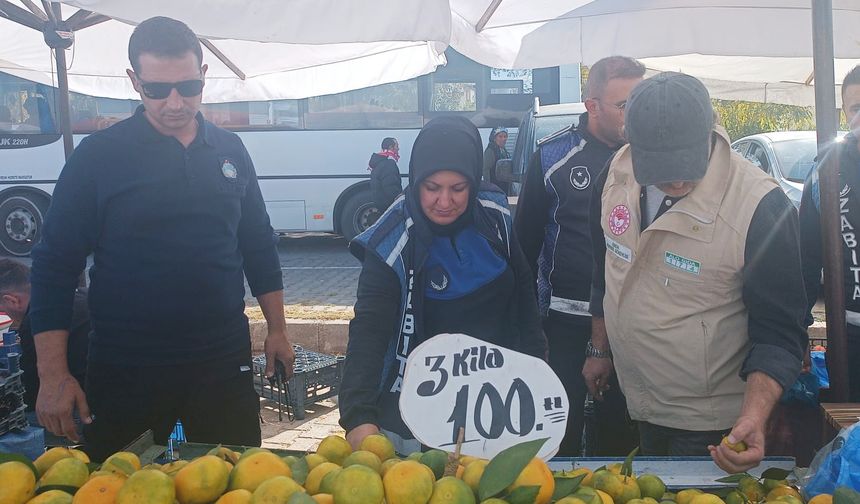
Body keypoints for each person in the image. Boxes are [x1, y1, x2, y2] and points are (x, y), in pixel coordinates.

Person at [28, 16, 295, 461]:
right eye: (157, 90)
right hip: (127, 365)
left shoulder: (230, 150)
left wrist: (279, 330)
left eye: (188, 87)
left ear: (204, 76)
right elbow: (54, 265)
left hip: (222, 360)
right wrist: (53, 374)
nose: (174, 102)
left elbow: (258, 245)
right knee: (121, 485)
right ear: (134, 81)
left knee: (236, 481)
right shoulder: (99, 158)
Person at [587, 72, 807, 472]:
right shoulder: (615, 174)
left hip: (710, 428)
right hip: (629, 398)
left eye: (689, 164)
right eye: (662, 168)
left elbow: (781, 331)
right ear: (630, 142)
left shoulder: (760, 206)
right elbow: (607, 267)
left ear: (710, 132)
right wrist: (599, 348)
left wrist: (754, 417)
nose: (677, 179)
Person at [339, 116, 547, 453]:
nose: (445, 202)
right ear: (416, 180)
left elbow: (524, 291)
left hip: (498, 402)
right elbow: (369, 328)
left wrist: (537, 366)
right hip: (422, 410)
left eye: (459, 188)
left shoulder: (494, 213)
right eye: (432, 188)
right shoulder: (391, 240)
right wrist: (357, 414)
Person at [515, 55, 645, 456]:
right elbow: (523, 246)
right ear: (592, 106)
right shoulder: (553, 157)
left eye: (641, 102)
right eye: (625, 106)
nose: (634, 115)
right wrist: (526, 328)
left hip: (632, 325)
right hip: (564, 323)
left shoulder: (653, 157)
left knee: (623, 440)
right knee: (558, 433)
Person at [800, 65, 860, 401]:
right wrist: (797, 334)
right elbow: (805, 256)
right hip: (847, 334)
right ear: (844, 114)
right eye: (856, 108)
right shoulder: (827, 170)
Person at [0, 259, 90, 439]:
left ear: (12, 300)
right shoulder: (78, 295)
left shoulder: (37, 323)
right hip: (126, 389)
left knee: (22, 417)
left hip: (88, 411)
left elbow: (32, 397)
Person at [368, 137, 403, 212]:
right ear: (391, 147)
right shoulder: (389, 163)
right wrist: (399, 198)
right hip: (388, 204)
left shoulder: (379, 161)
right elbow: (390, 185)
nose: (398, 149)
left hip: (380, 202)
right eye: (397, 146)